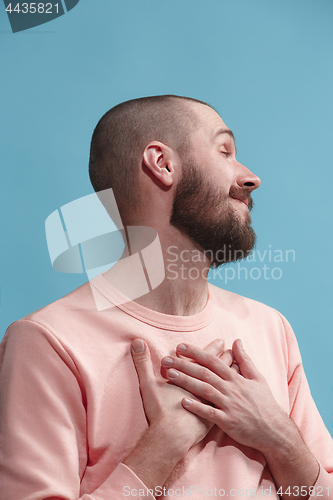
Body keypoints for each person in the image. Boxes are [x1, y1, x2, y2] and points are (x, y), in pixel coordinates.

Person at [0, 95, 332, 499]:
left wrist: (280, 438)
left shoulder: (269, 328)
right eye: (224, 150)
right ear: (162, 164)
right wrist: (164, 445)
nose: (250, 177)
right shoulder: (48, 342)